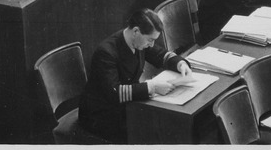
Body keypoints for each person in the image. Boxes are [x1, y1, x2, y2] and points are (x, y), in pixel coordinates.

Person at [79, 8, 192, 143]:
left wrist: (180, 64)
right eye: (150, 40)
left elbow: (160, 55)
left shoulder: (139, 41)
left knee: (166, 124)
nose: (152, 44)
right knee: (153, 131)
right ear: (136, 31)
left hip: (125, 106)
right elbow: (115, 92)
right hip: (101, 114)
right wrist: (152, 87)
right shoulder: (106, 52)